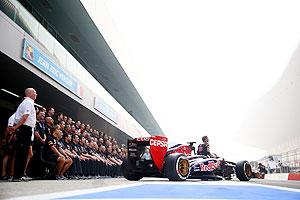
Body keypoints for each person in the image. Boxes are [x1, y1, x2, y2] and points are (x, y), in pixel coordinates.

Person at [12, 88, 37, 181]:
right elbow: (25, 117)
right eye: (34, 92)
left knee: (23, 153)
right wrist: (15, 127)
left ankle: (20, 174)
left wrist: (16, 128)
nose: (36, 94)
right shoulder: (28, 102)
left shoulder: (27, 102)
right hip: (24, 129)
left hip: (25, 129)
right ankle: (17, 176)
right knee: (21, 153)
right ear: (29, 93)